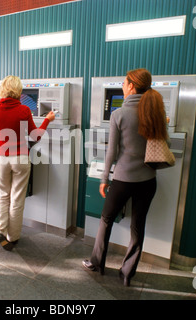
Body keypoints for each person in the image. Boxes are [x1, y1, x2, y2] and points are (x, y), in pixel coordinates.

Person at [82, 68, 168, 286]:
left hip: (123, 179)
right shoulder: (156, 112)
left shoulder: (118, 114)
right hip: (148, 180)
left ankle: (97, 263)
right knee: (138, 226)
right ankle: (128, 273)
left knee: (106, 219)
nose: (122, 85)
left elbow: (111, 152)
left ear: (131, 86)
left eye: (124, 82)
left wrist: (104, 179)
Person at [0, 75, 55, 250]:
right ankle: (13, 237)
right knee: (17, 198)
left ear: (3, 89)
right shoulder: (24, 110)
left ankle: (0, 230)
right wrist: (47, 119)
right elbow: (36, 136)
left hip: (1, 157)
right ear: (18, 91)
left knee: (3, 195)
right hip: (20, 158)